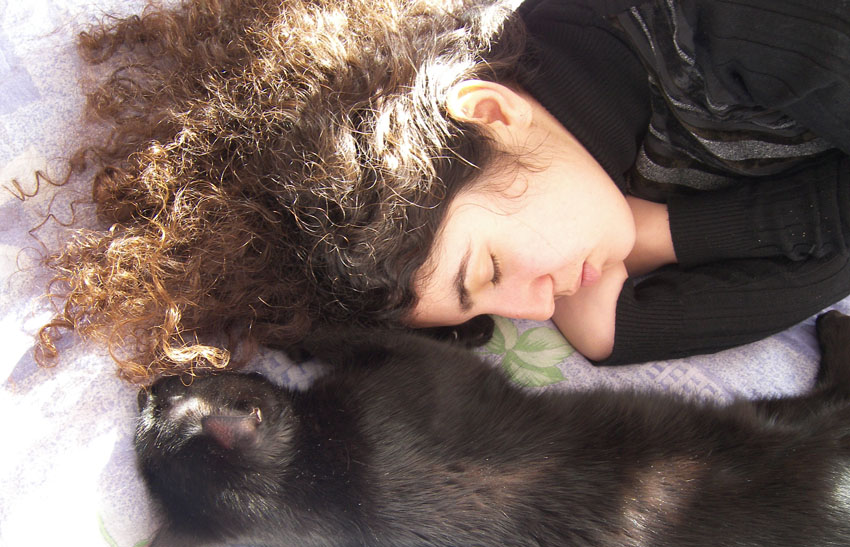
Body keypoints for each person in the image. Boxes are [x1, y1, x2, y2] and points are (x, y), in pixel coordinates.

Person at [33, 0, 850, 381]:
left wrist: (673, 234)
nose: (538, 307)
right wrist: (632, 290)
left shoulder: (722, 21)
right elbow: (611, 324)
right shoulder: (575, 170)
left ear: (489, 113)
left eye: (488, 270)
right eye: (488, 306)